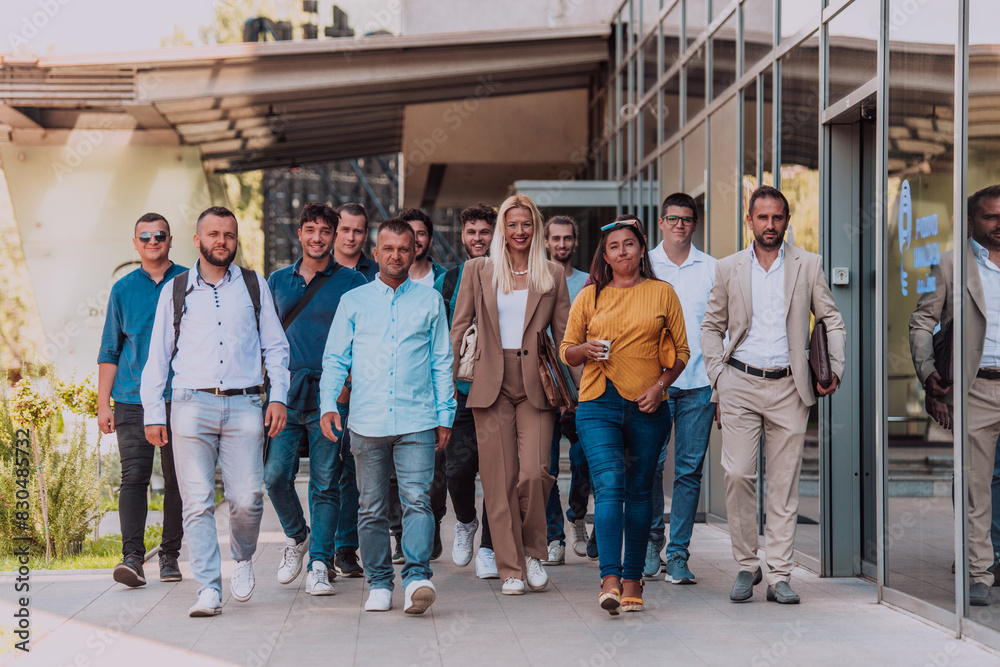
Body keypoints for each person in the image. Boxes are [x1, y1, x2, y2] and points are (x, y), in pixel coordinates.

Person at [141, 206, 290, 618]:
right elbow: (157, 358)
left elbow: (276, 348)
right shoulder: (177, 290)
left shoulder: (254, 286)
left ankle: (242, 560)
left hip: (245, 404)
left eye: (228, 234)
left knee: (248, 498)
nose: (220, 240)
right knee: (197, 502)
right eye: (213, 234)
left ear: (235, 240)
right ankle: (208, 587)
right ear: (197, 240)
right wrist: (154, 412)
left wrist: (277, 396)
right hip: (191, 403)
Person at [701, 185, 845, 605]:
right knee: (738, 474)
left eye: (777, 217)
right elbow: (711, 327)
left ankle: (780, 573)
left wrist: (834, 367)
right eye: (762, 217)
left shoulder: (808, 264)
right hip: (740, 384)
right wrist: (718, 379)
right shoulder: (728, 268)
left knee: (783, 484)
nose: (770, 225)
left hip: (789, 386)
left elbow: (831, 318)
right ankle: (747, 564)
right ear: (750, 221)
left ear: (786, 220)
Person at [319, 217, 456, 614]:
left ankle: (416, 577)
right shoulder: (354, 302)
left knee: (418, 500)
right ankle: (379, 582)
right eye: (388, 248)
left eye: (404, 248)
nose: (396, 255)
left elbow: (441, 362)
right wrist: (329, 404)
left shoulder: (429, 300)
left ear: (415, 251)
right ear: (376, 253)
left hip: (417, 420)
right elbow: (334, 359)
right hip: (367, 422)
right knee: (371, 507)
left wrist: (445, 414)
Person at [560, 218, 689, 615]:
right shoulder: (590, 296)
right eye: (613, 246)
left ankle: (634, 579)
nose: (622, 252)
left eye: (629, 244)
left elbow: (682, 353)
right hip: (597, 404)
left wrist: (660, 387)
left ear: (641, 248)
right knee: (610, 484)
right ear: (605, 255)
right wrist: (586, 350)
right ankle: (610, 577)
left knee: (638, 492)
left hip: (648, 407)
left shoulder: (663, 293)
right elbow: (567, 349)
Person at [451, 194, 571, 595]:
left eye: (527, 224)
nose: (519, 232)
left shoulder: (552, 273)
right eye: (512, 224)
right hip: (490, 383)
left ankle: (534, 551)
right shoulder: (478, 270)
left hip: (536, 383)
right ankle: (510, 568)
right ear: (503, 227)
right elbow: (459, 327)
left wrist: (582, 387)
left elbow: (566, 336)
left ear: (536, 228)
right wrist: (447, 382)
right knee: (498, 481)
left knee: (536, 473)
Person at [264, 203, 367, 595]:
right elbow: (265, 340)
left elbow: (363, 336)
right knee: (275, 477)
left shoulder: (353, 282)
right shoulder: (277, 280)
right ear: (300, 233)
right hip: (286, 396)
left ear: (335, 235)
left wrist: (348, 384)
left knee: (326, 482)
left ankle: (321, 564)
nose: (318, 237)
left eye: (326, 231)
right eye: (311, 229)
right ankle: (298, 536)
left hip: (331, 396)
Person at [910, 184, 1000, 606]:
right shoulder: (950, 265)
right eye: (990, 216)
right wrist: (928, 375)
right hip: (976, 387)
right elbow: (922, 322)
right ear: (971, 222)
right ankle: (980, 573)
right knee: (975, 488)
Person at [97, 213, 187, 588]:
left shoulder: (189, 281)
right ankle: (132, 558)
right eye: (145, 236)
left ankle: (169, 556)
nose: (153, 241)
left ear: (170, 240)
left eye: (159, 235)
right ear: (135, 244)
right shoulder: (122, 289)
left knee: (177, 479)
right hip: (132, 399)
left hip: (180, 396)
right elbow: (110, 350)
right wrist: (104, 404)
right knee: (134, 478)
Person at [645, 193, 718, 583]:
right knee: (650, 467)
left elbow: (722, 329)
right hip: (653, 385)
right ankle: (650, 545)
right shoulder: (645, 266)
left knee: (689, 472)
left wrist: (721, 388)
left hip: (700, 385)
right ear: (661, 223)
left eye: (686, 219)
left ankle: (678, 554)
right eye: (672, 219)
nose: (679, 225)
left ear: (695, 224)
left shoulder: (712, 268)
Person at [433, 203, 498, 578]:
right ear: (463, 236)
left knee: (496, 471)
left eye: (484, 232)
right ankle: (466, 522)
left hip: (501, 389)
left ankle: (489, 546)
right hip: (459, 389)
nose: (478, 238)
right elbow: (443, 335)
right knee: (457, 469)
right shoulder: (450, 278)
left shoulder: (509, 274)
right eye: (472, 232)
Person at [387, 207, 449, 562]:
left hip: (428, 396)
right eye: (407, 234)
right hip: (391, 395)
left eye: (420, 234)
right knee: (396, 476)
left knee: (435, 475)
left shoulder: (443, 282)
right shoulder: (378, 283)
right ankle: (402, 538)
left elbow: (445, 348)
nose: (413, 241)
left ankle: (431, 523)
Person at [541, 215, 592, 565]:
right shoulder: (535, 279)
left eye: (567, 239)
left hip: (581, 385)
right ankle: (553, 535)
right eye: (555, 239)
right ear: (546, 242)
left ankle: (577, 516)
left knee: (583, 458)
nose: (562, 244)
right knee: (545, 466)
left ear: (575, 242)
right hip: (543, 386)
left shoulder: (590, 283)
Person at [331, 201, 375, 577]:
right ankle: (317, 544)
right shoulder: (315, 272)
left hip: (361, 390)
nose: (350, 236)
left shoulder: (374, 276)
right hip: (319, 389)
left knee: (351, 470)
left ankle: (345, 549)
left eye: (358, 231)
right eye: (344, 229)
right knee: (322, 471)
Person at [400, 208, 446, 288]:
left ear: (430, 240)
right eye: (409, 233)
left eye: (421, 234)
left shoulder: (446, 279)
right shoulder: (387, 277)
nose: (415, 239)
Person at [334, 203, 378, 281]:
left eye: (357, 231)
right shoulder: (319, 270)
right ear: (334, 232)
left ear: (366, 235)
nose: (351, 238)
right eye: (345, 230)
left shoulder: (378, 274)